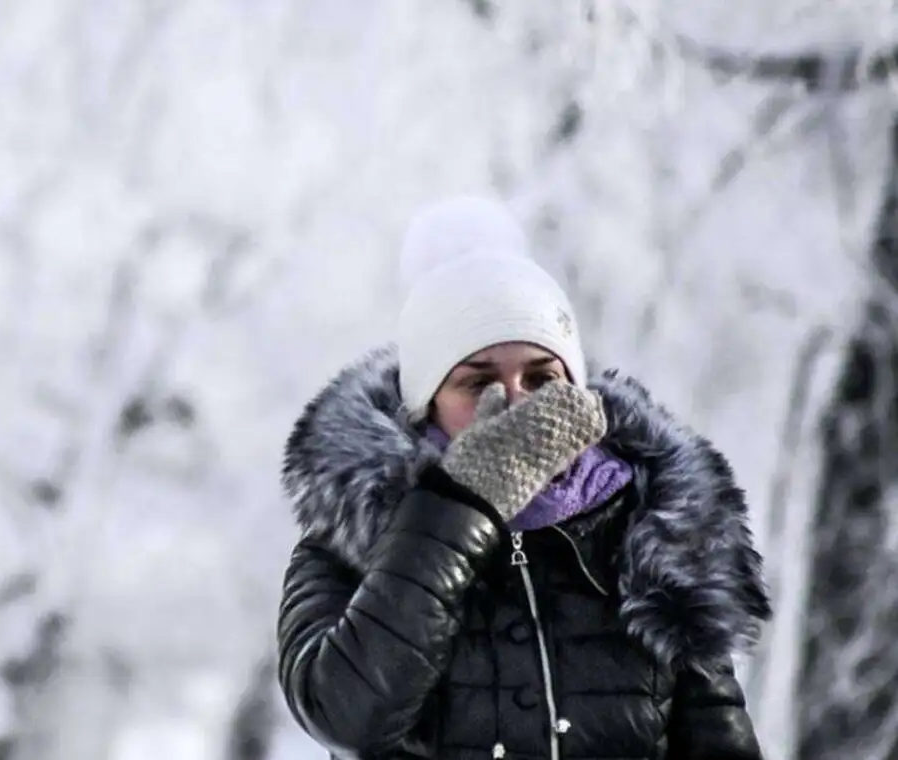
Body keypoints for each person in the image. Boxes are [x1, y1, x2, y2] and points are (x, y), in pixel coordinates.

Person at [275, 196, 771, 760]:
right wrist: (461, 502)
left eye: (541, 377)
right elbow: (345, 718)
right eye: (476, 381)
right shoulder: (349, 538)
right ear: (424, 402)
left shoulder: (651, 530)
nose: (515, 401)